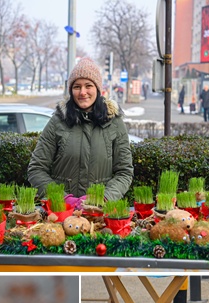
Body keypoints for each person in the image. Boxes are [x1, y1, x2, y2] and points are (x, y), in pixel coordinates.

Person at [28, 57, 134, 201]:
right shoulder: (58, 121)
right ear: (71, 90)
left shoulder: (114, 122)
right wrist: (62, 199)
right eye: (77, 87)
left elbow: (124, 172)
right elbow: (36, 169)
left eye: (88, 85)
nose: (82, 92)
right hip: (61, 213)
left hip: (98, 213)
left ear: (98, 89)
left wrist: (104, 198)